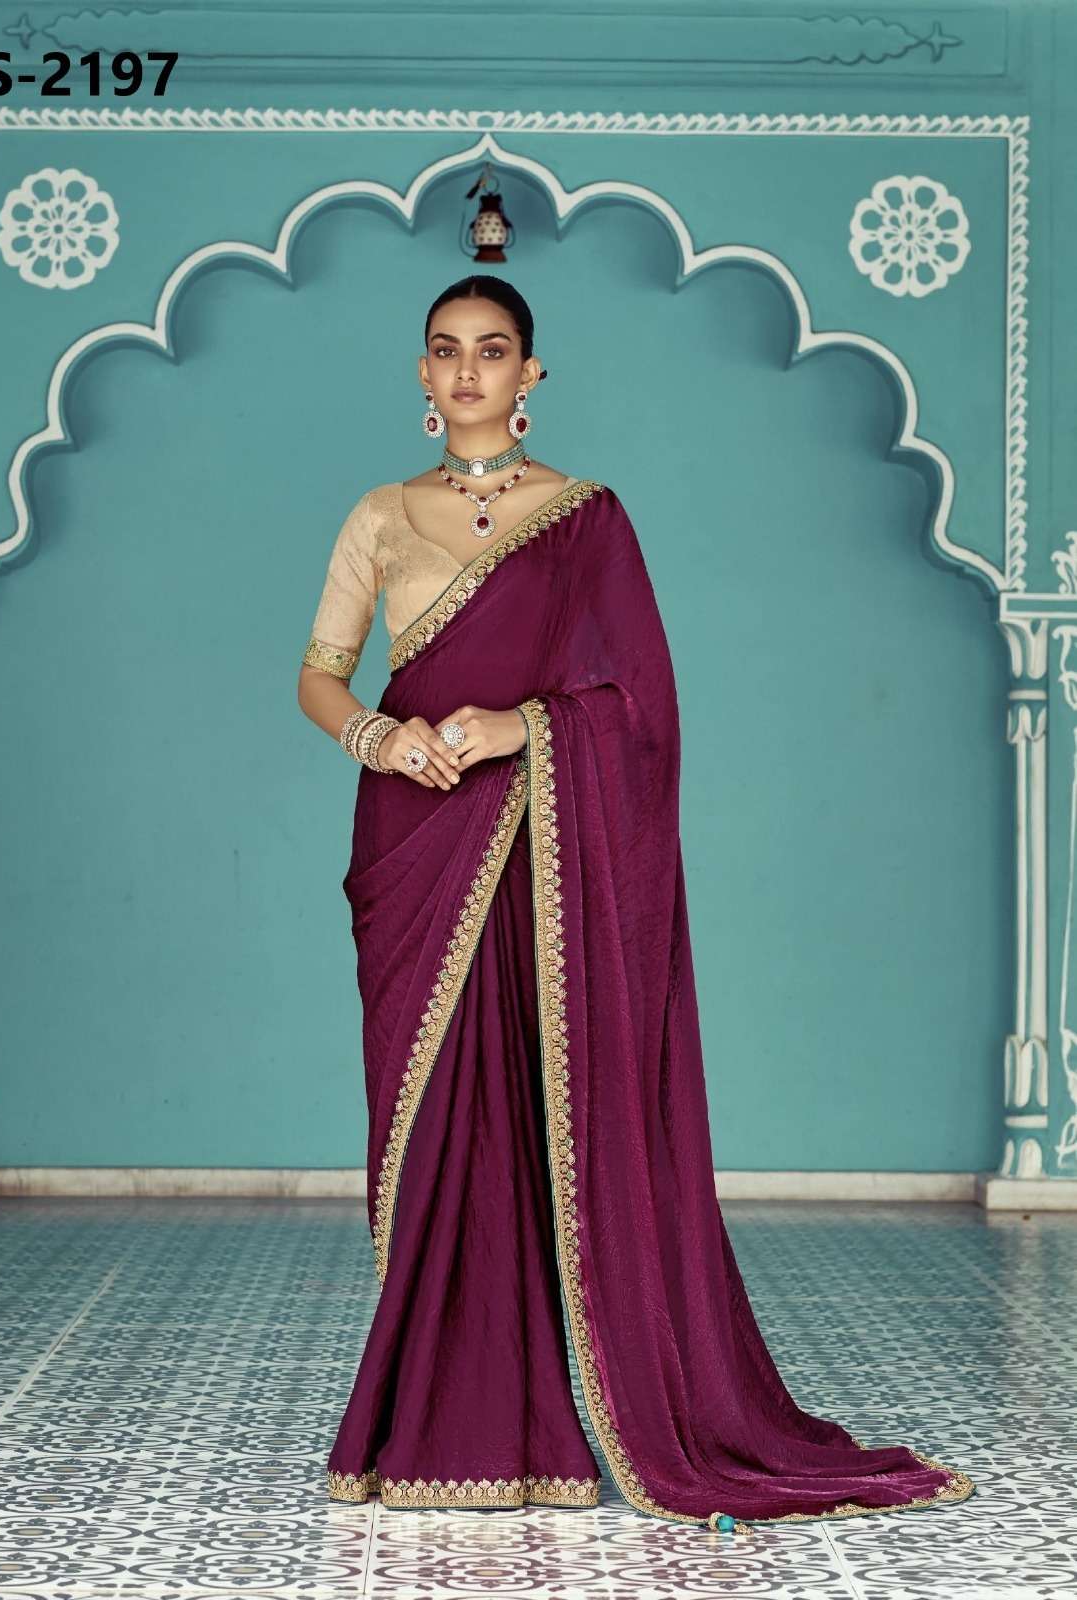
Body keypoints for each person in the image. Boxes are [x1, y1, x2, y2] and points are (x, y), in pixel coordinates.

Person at [296, 274, 975, 1528]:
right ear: (421, 372)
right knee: (430, 1124)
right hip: (415, 836)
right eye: (445, 349)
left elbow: (641, 709)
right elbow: (322, 675)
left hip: (535, 839)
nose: (466, 371)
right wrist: (381, 742)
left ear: (530, 375)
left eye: (492, 350)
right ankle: (437, 1418)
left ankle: (552, 1424)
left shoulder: (588, 520)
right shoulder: (380, 515)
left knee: (539, 1113)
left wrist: (522, 726)